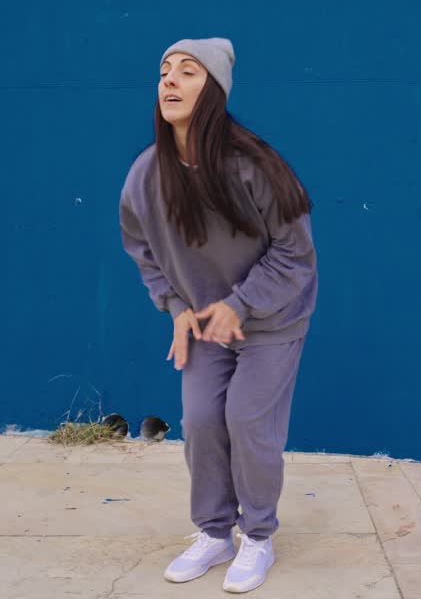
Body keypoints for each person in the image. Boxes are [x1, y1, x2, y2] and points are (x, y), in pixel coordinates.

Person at [119, 38, 318, 593]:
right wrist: (176, 307)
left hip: (273, 317)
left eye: (187, 71)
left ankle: (258, 536)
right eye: (164, 70)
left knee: (248, 420)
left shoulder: (254, 167)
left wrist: (240, 304)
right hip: (206, 323)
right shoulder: (145, 175)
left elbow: (296, 254)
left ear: (214, 91)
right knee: (202, 421)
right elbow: (140, 247)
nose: (169, 80)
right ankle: (214, 533)